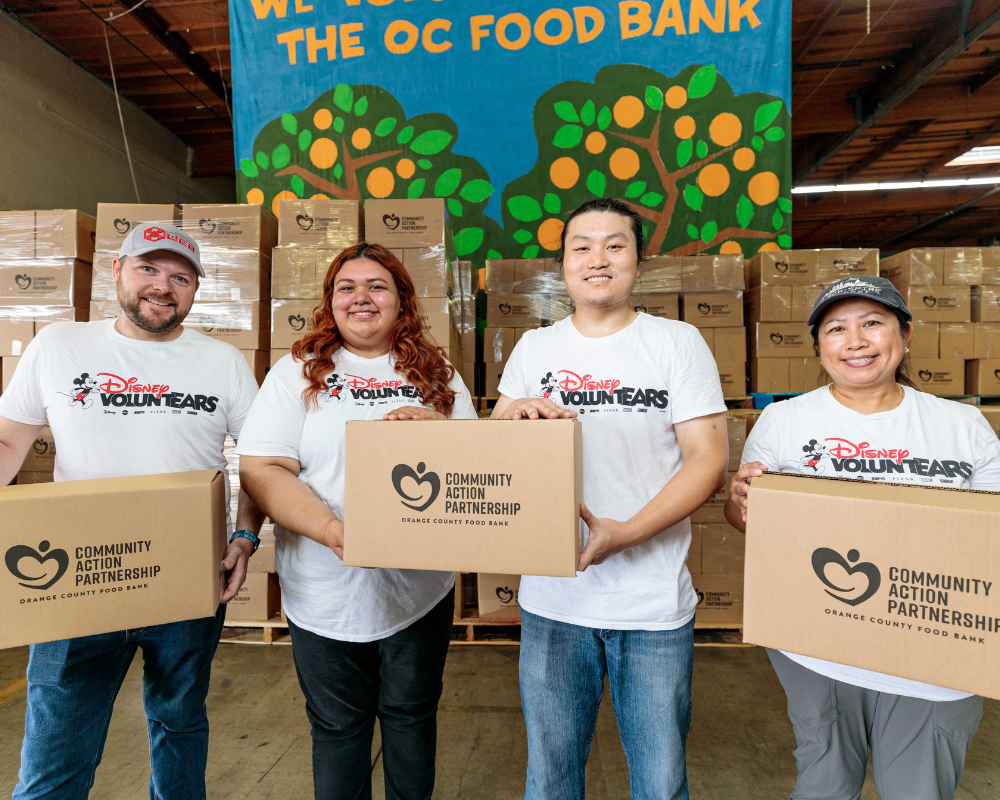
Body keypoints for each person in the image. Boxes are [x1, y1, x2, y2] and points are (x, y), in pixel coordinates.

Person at [0, 223, 264, 800]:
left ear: (195, 290)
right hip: (76, 575)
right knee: (56, 742)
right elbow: (7, 442)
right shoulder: (59, 346)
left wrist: (244, 536)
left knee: (179, 722)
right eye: (148, 269)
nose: (162, 286)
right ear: (116, 272)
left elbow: (261, 462)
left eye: (180, 277)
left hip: (188, 576)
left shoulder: (222, 363)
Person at [725, 275, 1000, 800]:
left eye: (872, 323)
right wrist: (741, 506)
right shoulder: (784, 421)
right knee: (825, 783)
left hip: (935, 650)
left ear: (906, 334)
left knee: (919, 791)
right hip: (817, 642)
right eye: (836, 329)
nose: (855, 341)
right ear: (819, 347)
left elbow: (990, 538)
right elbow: (750, 524)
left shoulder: (963, 426)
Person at [491, 198, 730, 800]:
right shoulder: (534, 349)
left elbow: (708, 459)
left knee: (660, 782)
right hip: (553, 598)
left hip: (650, 605)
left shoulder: (677, 343)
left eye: (615, 245)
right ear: (563, 264)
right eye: (582, 247)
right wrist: (514, 414)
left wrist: (627, 531)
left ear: (639, 261)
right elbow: (493, 452)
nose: (598, 258)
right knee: (550, 778)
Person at [236, 242, 477, 800]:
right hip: (323, 587)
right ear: (330, 301)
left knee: (411, 715)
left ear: (401, 302)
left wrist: (439, 430)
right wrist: (332, 531)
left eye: (377, 286)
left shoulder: (436, 372)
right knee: (339, 727)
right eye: (347, 287)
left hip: (419, 587)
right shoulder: (296, 372)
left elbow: (477, 463)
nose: (360, 297)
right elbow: (263, 468)